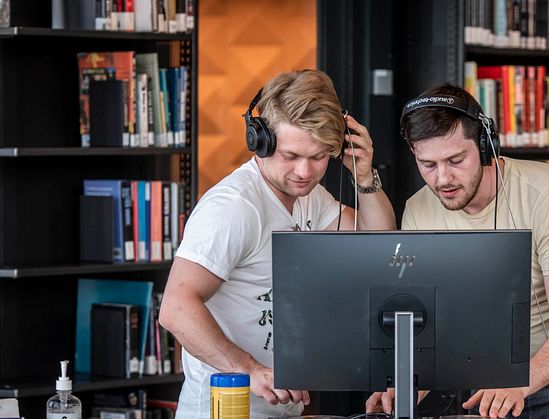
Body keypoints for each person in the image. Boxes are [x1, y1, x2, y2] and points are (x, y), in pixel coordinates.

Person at [366, 84, 549, 418]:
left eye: (456, 160)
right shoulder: (419, 209)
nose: (442, 178)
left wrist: (518, 383)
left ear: (486, 146)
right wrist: (409, 384)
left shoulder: (548, 194)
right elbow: (438, 319)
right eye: (427, 164)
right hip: (491, 381)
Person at [159, 69, 396, 419]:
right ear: (261, 141)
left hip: (282, 406)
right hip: (226, 408)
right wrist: (251, 369)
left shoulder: (310, 197)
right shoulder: (234, 208)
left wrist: (364, 175)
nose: (304, 171)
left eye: (318, 157)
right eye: (290, 155)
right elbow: (176, 308)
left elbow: (379, 244)